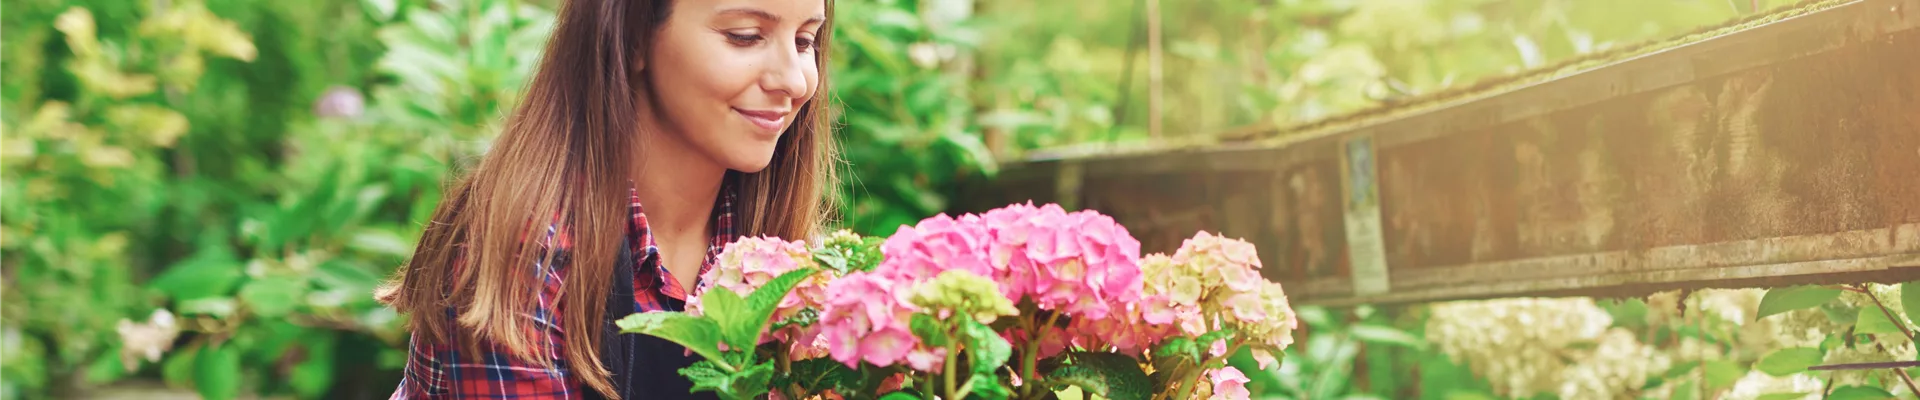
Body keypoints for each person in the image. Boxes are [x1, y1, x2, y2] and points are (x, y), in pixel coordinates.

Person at [374, 0, 837, 398]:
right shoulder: (529, 249)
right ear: (633, 37)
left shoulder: (780, 248)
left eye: (804, 41)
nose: (794, 82)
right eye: (746, 36)